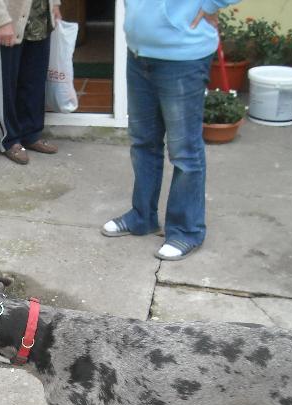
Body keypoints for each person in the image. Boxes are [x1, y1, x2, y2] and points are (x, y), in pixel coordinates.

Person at [101, 0, 241, 261]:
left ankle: (187, 231)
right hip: (139, 52)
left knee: (184, 151)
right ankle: (142, 217)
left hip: (183, 56)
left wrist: (212, 4)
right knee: (143, 142)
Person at [0, 0, 62, 165]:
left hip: (40, 19)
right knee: (6, 86)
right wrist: (0, 19)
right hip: (9, 20)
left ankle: (31, 134)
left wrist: (55, 4)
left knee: (34, 80)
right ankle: (8, 140)